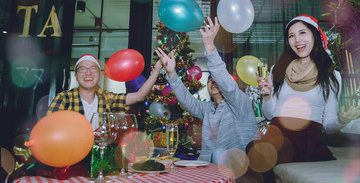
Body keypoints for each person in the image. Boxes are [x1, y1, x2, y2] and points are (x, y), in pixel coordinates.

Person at [246, 15, 360, 182]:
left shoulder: (331, 75)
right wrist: (268, 95)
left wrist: (342, 120)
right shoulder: (277, 69)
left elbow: (329, 125)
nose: (297, 40)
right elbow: (269, 114)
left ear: (314, 35)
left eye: (302, 33)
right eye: (291, 36)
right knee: (254, 150)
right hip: (276, 136)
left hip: (307, 141)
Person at [155, 17, 258, 163]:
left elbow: (229, 87)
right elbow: (188, 101)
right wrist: (171, 74)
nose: (213, 82)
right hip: (209, 168)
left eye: (217, 79)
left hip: (239, 166)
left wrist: (210, 47)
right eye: (210, 79)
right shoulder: (208, 109)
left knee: (219, 153)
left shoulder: (240, 102)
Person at [47, 54, 163, 125]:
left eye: (93, 69)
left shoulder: (107, 98)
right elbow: (47, 127)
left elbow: (139, 96)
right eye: (82, 69)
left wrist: (157, 70)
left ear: (100, 75)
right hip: (71, 158)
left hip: (100, 158)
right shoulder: (64, 98)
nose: (88, 72)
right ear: (76, 76)